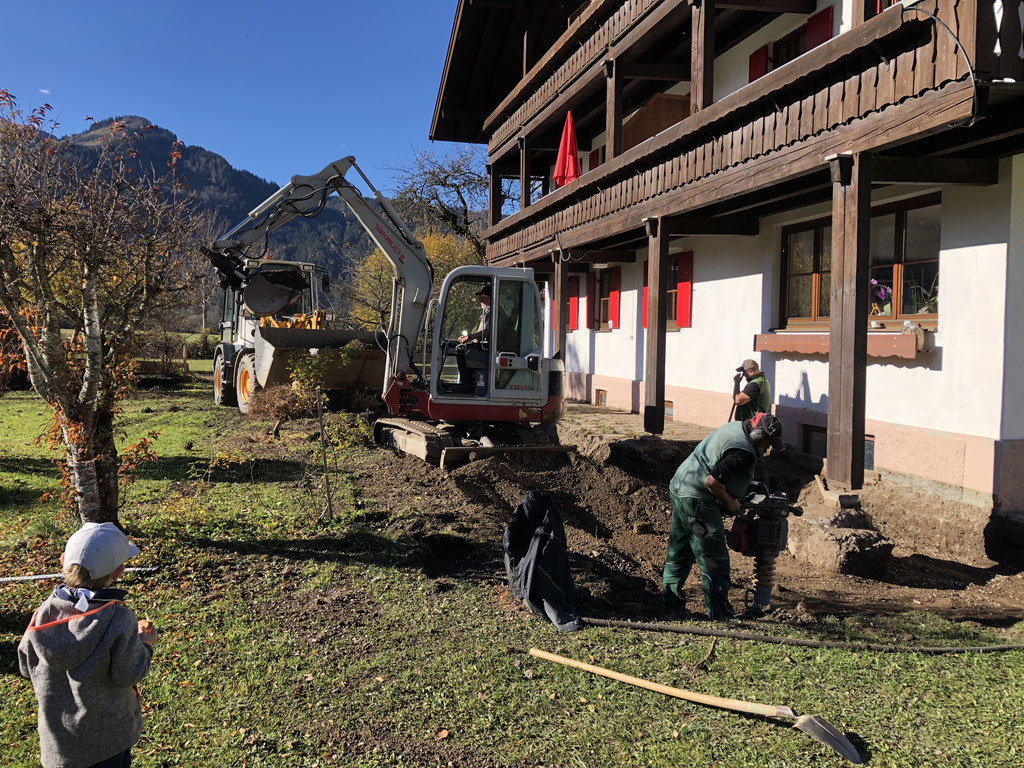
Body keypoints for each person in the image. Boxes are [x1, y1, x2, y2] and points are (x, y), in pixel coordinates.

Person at [19, 522, 157, 768]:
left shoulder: (45, 614)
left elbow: (25, 664)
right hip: (109, 742)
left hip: (59, 744)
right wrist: (145, 645)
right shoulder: (118, 618)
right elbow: (128, 673)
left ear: (63, 560)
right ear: (119, 570)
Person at [662, 412, 785, 619]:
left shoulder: (736, 426)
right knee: (714, 558)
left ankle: (672, 605)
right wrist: (730, 502)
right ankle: (720, 615)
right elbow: (713, 482)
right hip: (697, 498)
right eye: (766, 442)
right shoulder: (742, 452)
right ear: (756, 435)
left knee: (680, 551)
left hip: (679, 486)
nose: (767, 447)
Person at [456, 285, 491, 392]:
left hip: (487, 350)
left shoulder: (492, 313)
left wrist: (470, 337)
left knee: (460, 349)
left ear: (490, 299)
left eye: (483, 298)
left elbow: (488, 332)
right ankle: (469, 381)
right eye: (480, 298)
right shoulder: (487, 312)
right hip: (484, 347)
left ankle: (466, 384)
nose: (480, 300)